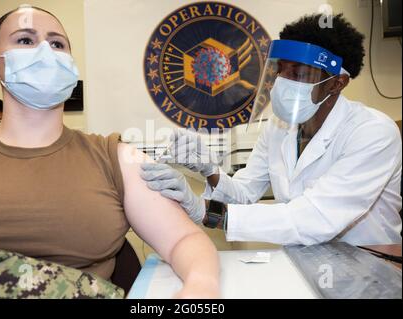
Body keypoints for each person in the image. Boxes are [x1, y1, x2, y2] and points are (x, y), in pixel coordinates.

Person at [0, 5, 219, 298]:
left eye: (57, 44)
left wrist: (200, 287)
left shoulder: (112, 156)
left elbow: (184, 240)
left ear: (71, 66)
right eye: (25, 41)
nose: (45, 52)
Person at [141, 14, 402, 246]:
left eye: (298, 74)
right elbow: (244, 194)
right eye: (280, 70)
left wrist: (203, 210)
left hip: (370, 265)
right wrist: (210, 171)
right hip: (304, 257)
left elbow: (315, 218)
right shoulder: (278, 128)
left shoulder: (373, 132)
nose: (282, 82)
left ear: (337, 83)